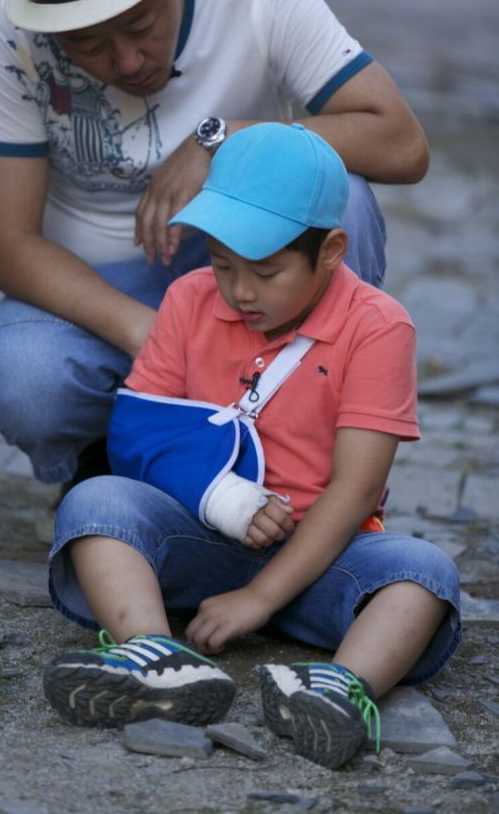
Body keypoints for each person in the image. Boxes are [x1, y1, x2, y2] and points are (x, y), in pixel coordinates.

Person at [0, 0, 429, 491]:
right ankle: (114, 455)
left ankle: (315, 464)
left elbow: (401, 142)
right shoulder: (11, 31)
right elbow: (6, 246)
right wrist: (151, 334)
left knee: (341, 203)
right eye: (88, 44)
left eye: (141, 27)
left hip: (254, 258)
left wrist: (224, 139)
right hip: (104, 281)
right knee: (22, 376)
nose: (127, 61)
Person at [44, 123, 460, 770]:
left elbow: (355, 490)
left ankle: (338, 690)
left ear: (331, 250)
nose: (240, 291)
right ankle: (156, 657)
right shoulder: (188, 299)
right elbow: (136, 435)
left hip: (323, 560)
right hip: (201, 536)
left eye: (266, 272)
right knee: (95, 502)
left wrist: (259, 598)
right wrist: (222, 499)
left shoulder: (378, 327)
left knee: (425, 573)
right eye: (222, 264)